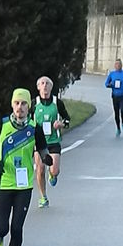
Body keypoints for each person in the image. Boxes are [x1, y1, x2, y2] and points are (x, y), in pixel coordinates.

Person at [0, 88, 53, 246]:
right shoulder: (1, 124)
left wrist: (45, 157)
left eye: (24, 104)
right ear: (12, 105)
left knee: (17, 227)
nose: (20, 107)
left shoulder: (34, 127)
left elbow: (41, 147)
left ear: (28, 107)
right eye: (17, 103)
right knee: (2, 228)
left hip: (24, 185)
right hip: (3, 182)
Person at [31, 76, 70, 208]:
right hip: (39, 142)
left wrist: (61, 124)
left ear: (51, 87)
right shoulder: (34, 104)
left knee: (54, 170)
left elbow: (67, 119)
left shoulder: (57, 103)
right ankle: (43, 197)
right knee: (40, 169)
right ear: (38, 87)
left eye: (47, 83)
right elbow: (27, 121)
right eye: (42, 83)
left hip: (53, 141)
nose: (45, 86)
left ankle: (52, 176)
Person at [105, 58, 123, 137]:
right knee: (116, 113)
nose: (118, 65)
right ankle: (118, 128)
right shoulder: (112, 74)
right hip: (115, 96)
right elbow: (106, 83)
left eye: (119, 64)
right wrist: (110, 85)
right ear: (114, 66)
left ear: (121, 65)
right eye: (116, 64)